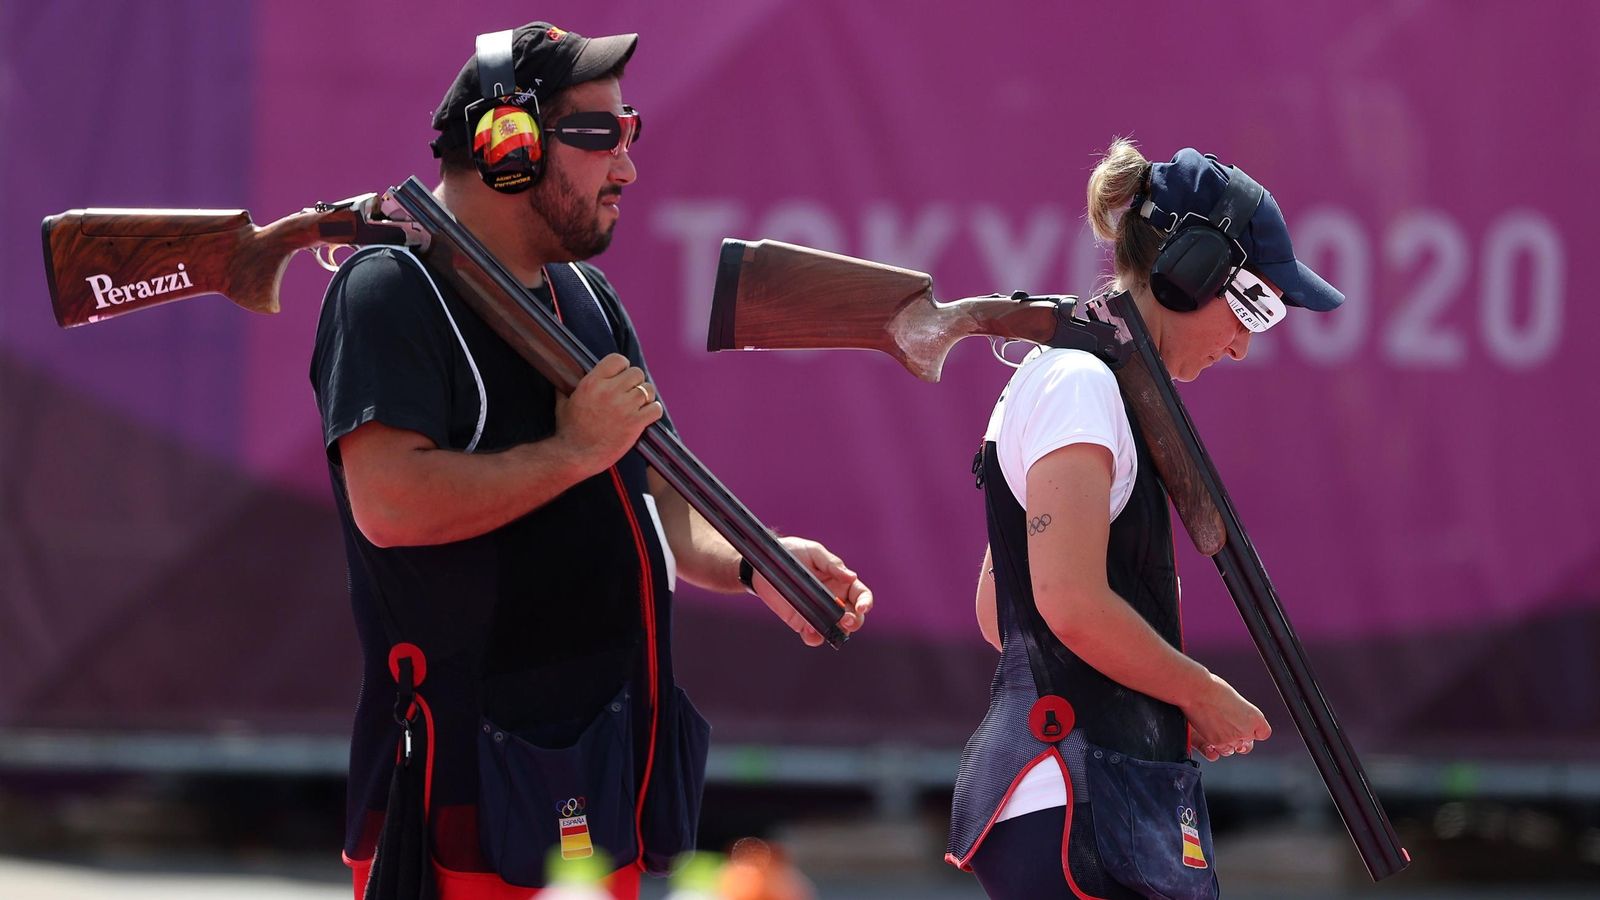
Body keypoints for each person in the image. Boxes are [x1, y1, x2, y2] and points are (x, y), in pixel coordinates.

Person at [309, 21, 872, 900]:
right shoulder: (389, 291)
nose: (627, 166)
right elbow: (390, 503)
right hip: (466, 792)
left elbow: (648, 483)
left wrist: (758, 565)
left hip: (589, 772)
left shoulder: (586, 298)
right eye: (599, 136)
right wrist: (573, 448)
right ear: (508, 146)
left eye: (630, 131)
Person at [945, 140, 1344, 899]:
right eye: (1252, 304)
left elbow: (1006, 613)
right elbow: (1066, 605)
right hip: (1079, 796)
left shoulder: (1070, 379)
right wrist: (1196, 691)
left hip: (1083, 790)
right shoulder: (1080, 384)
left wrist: (1148, 685)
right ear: (1189, 272)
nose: (1243, 344)